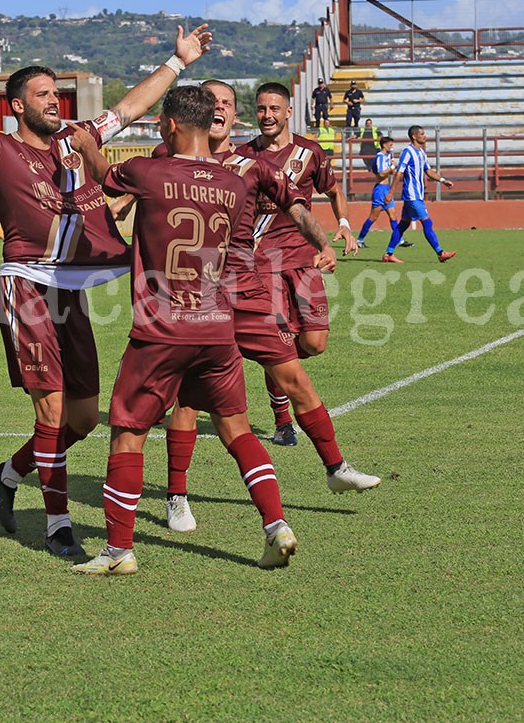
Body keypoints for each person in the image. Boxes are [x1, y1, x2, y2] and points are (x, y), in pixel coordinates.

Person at [0, 19, 213, 557]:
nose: (55, 101)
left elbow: (132, 107)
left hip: (71, 292)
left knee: (81, 418)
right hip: (27, 283)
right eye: (43, 95)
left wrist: (179, 62)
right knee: (49, 414)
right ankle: (58, 529)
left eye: (56, 93)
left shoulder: (78, 140)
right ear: (17, 107)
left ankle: (7, 475)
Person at [70, 86, 298, 575]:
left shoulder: (147, 172)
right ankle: (276, 524)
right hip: (218, 328)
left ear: (169, 126)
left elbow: (104, 175)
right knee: (237, 429)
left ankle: (118, 551)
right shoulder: (235, 187)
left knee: (127, 435)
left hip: (161, 329)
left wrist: (87, 139)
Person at [159, 82, 380, 533]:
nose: (219, 110)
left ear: (233, 115)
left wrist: (326, 240)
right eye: (211, 103)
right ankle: (176, 495)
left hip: (247, 289)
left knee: (295, 373)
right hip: (194, 296)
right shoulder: (173, 163)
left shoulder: (251, 165)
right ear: (200, 112)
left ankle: (335, 468)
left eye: (226, 104)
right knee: (187, 399)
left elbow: (296, 206)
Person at [236, 82, 358, 448]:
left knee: (315, 343)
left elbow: (334, 190)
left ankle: (269, 361)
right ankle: (282, 419)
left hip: (305, 263)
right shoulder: (242, 157)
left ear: (288, 112)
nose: (267, 116)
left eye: (274, 109)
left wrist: (345, 226)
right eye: (261, 109)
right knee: (281, 346)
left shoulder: (310, 153)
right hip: (263, 265)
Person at [382, 125, 456, 264]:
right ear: (414, 136)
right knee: (427, 222)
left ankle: (388, 254)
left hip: (417, 195)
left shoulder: (421, 153)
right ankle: (440, 253)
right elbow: (399, 172)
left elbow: (428, 171)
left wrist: (442, 180)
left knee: (403, 225)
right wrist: (391, 193)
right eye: (421, 134)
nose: (424, 136)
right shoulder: (408, 152)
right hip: (412, 195)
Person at [356, 136, 400, 248]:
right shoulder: (380, 157)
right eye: (390, 145)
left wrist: (392, 166)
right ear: (384, 145)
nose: (392, 147)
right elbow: (380, 174)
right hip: (380, 189)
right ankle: (359, 240)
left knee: (393, 214)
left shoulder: (387, 156)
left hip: (386, 188)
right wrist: (391, 168)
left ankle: (399, 239)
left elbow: (388, 172)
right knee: (373, 217)